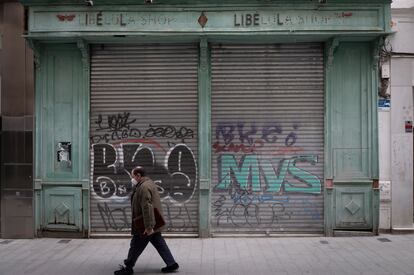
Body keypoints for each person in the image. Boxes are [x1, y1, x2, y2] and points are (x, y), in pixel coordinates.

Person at [114, 166, 179, 275]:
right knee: (159, 242)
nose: (132, 179)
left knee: (135, 245)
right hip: (153, 221)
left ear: (138, 175)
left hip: (145, 223)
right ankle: (171, 263)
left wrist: (149, 227)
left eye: (133, 176)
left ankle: (128, 267)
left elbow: (147, 207)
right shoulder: (148, 183)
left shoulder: (143, 187)